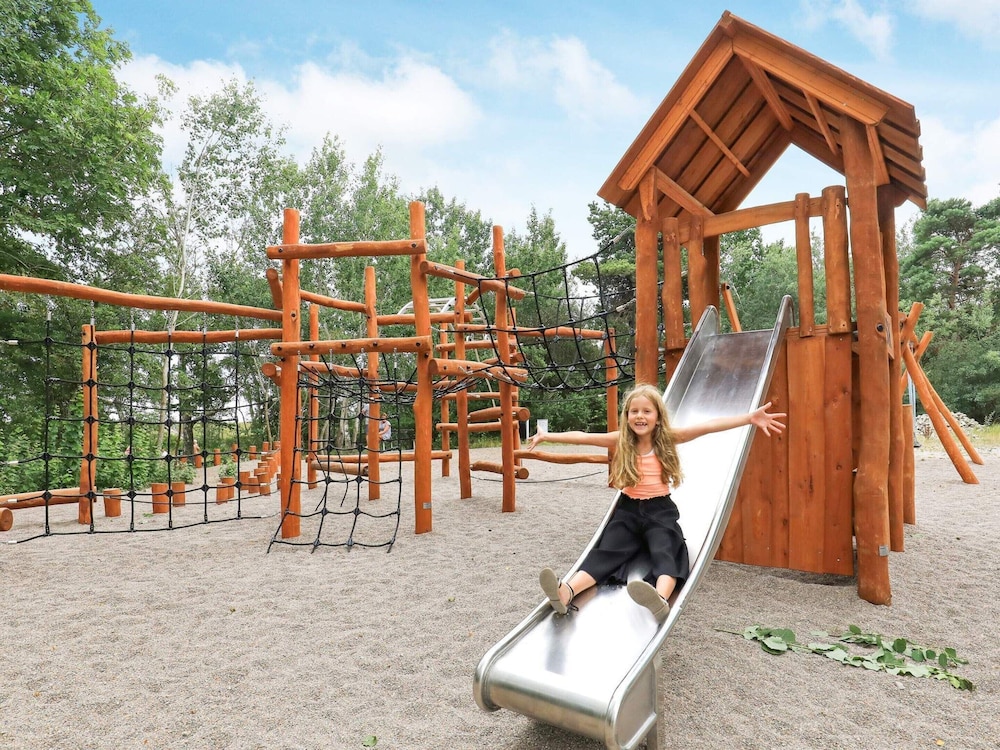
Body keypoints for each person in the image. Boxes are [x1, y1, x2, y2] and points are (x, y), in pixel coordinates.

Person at [526, 384, 785, 623]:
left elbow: (708, 426)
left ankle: (660, 599)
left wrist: (749, 418)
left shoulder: (668, 438)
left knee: (666, 548)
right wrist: (547, 435)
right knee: (607, 551)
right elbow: (583, 437)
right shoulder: (621, 440)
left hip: (659, 511)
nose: (640, 416)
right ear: (627, 416)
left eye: (647, 411)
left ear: (658, 417)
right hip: (627, 510)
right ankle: (566, 592)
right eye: (634, 411)